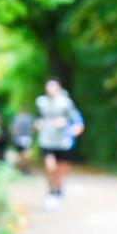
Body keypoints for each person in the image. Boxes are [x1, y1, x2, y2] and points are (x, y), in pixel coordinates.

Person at [35, 79, 84, 210]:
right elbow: (37, 119)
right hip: (46, 140)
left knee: (61, 169)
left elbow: (77, 120)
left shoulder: (66, 103)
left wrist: (72, 128)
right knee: (50, 167)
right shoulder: (41, 102)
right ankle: (52, 192)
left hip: (63, 141)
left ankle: (57, 190)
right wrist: (39, 124)